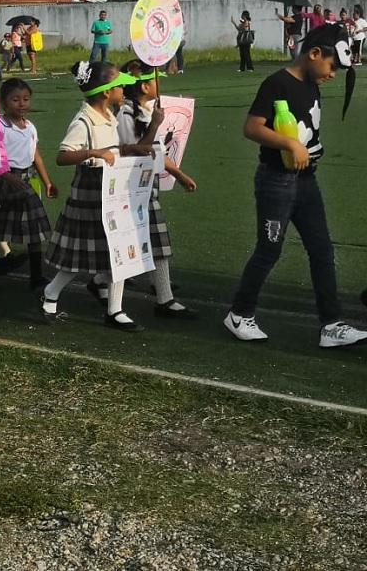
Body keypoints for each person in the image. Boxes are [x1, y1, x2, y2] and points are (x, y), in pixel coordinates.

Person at [224, 23, 367, 347]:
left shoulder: (312, 85)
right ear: (314, 54)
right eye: (332, 66)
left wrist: (306, 148)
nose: (332, 74)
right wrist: (290, 146)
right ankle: (239, 313)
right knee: (269, 250)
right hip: (276, 181)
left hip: (305, 182)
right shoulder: (277, 83)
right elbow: (252, 127)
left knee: (322, 249)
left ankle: (331, 325)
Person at [41, 61, 156, 331]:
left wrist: (131, 150)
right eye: (118, 86)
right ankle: (50, 293)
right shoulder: (84, 120)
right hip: (91, 191)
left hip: (113, 190)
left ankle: (114, 309)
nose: (123, 89)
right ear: (106, 92)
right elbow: (63, 156)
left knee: (119, 249)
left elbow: (112, 148)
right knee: (79, 254)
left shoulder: (109, 115)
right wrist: (92, 153)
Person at [117, 62, 197, 318]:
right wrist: (154, 125)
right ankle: (162, 298)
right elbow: (135, 149)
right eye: (154, 80)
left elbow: (157, 150)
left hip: (146, 184)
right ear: (143, 86)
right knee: (129, 239)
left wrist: (179, 174)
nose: (158, 84)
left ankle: (163, 295)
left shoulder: (150, 110)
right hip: (129, 186)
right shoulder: (127, 115)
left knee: (154, 239)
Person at [0, 78, 57, 291]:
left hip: (25, 182)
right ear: (3, 102)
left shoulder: (30, 127)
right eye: (15, 99)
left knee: (33, 231)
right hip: (1, 183)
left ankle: (36, 277)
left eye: (26, 99)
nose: (22, 104)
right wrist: (8, 177)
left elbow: (35, 154)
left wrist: (47, 182)